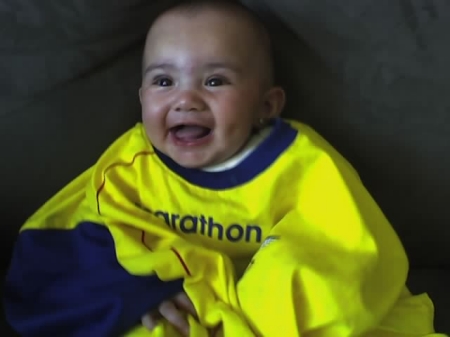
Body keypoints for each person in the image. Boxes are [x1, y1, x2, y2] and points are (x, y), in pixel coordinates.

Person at [4, 1, 446, 336]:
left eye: (214, 81)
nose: (186, 98)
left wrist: (243, 313)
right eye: (163, 81)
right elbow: (74, 238)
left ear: (266, 106)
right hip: (179, 314)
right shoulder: (128, 167)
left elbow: (345, 251)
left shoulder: (302, 164)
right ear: (142, 100)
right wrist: (138, 291)